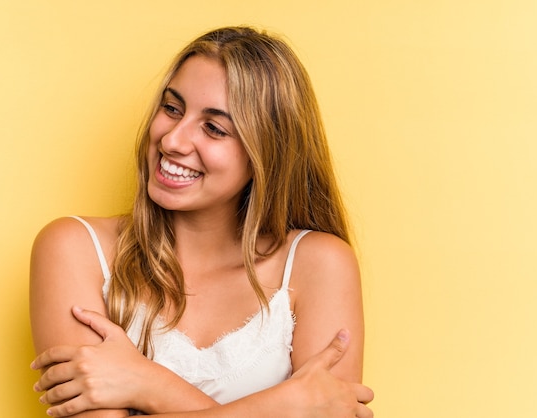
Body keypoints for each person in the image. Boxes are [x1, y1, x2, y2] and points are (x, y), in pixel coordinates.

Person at [30, 26, 374, 417]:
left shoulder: (319, 263)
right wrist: (285, 405)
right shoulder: (74, 248)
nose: (173, 140)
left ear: (267, 152)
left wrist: (147, 383)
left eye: (213, 128)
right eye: (172, 108)